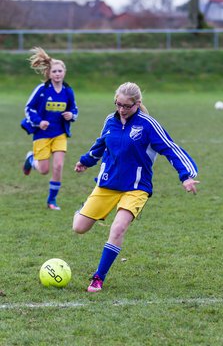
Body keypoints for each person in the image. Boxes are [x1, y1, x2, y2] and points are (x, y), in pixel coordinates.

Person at [73, 82, 199, 292]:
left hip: (136, 187)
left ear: (137, 104)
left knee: (118, 228)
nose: (121, 110)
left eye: (127, 106)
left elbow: (170, 148)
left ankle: (98, 277)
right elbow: (100, 144)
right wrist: (86, 161)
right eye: (118, 104)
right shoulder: (110, 120)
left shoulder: (147, 125)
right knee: (79, 227)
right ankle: (85, 208)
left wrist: (185, 176)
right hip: (108, 183)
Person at [22, 47, 78, 210]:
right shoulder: (42, 90)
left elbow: (75, 109)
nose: (57, 74)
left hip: (60, 134)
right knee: (44, 170)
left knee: (59, 166)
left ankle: (52, 201)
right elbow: (28, 108)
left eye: (60, 71)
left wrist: (71, 115)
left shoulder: (68, 91)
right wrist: (39, 122)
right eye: (54, 71)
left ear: (64, 72)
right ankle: (31, 159)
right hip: (42, 134)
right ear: (49, 73)